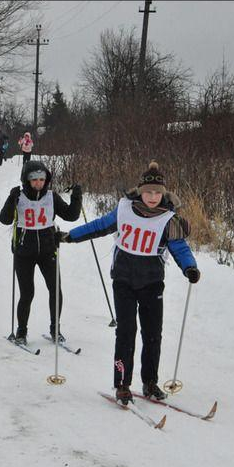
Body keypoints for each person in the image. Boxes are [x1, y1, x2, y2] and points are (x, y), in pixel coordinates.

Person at [57, 161, 200, 405]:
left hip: (152, 283)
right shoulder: (124, 208)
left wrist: (190, 267)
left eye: (157, 192)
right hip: (123, 280)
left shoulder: (169, 219)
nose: (153, 197)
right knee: (126, 332)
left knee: (153, 334)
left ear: (163, 193)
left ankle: (150, 382)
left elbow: (179, 247)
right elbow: (101, 226)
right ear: (141, 191)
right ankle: (122, 384)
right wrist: (71, 236)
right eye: (148, 192)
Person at [0, 160, 82, 345]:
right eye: (34, 179)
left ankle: (55, 329)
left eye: (42, 179)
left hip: (47, 251)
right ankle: (21, 332)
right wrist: (10, 199)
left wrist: (77, 197)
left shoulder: (51, 197)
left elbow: (71, 215)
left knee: (56, 290)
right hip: (24, 253)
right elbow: (4, 219)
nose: (38, 183)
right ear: (26, 180)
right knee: (27, 293)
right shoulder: (19, 197)